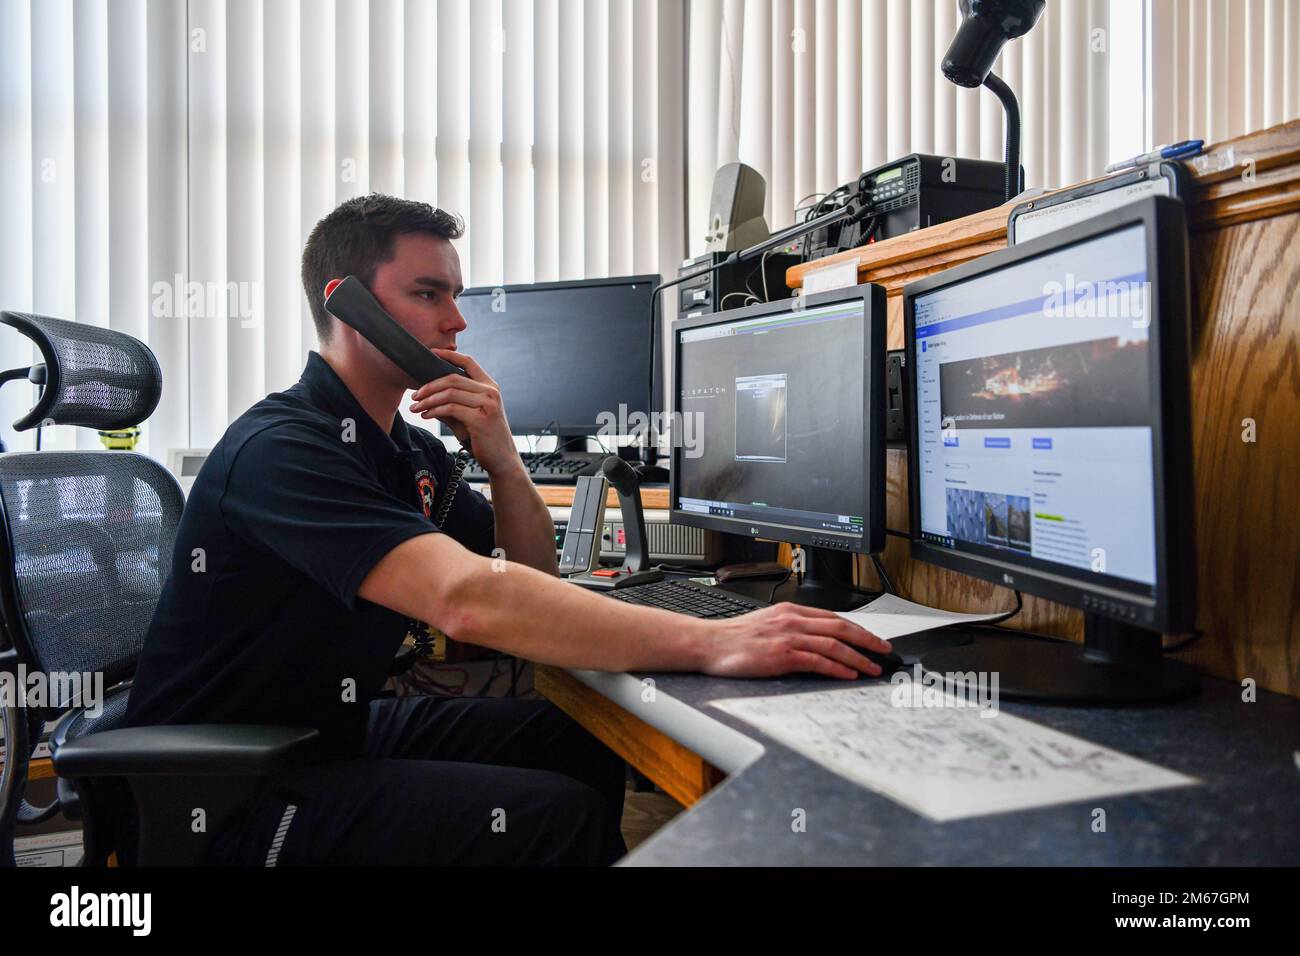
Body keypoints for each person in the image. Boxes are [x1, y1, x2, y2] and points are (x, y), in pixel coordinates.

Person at [122, 193, 893, 866]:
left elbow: (524, 579)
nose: (458, 321)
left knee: (579, 735)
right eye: (428, 294)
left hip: (327, 731)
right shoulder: (285, 448)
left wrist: (503, 460)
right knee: (554, 822)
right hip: (229, 785)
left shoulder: (404, 447)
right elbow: (466, 602)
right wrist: (714, 639)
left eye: (456, 294)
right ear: (347, 304)